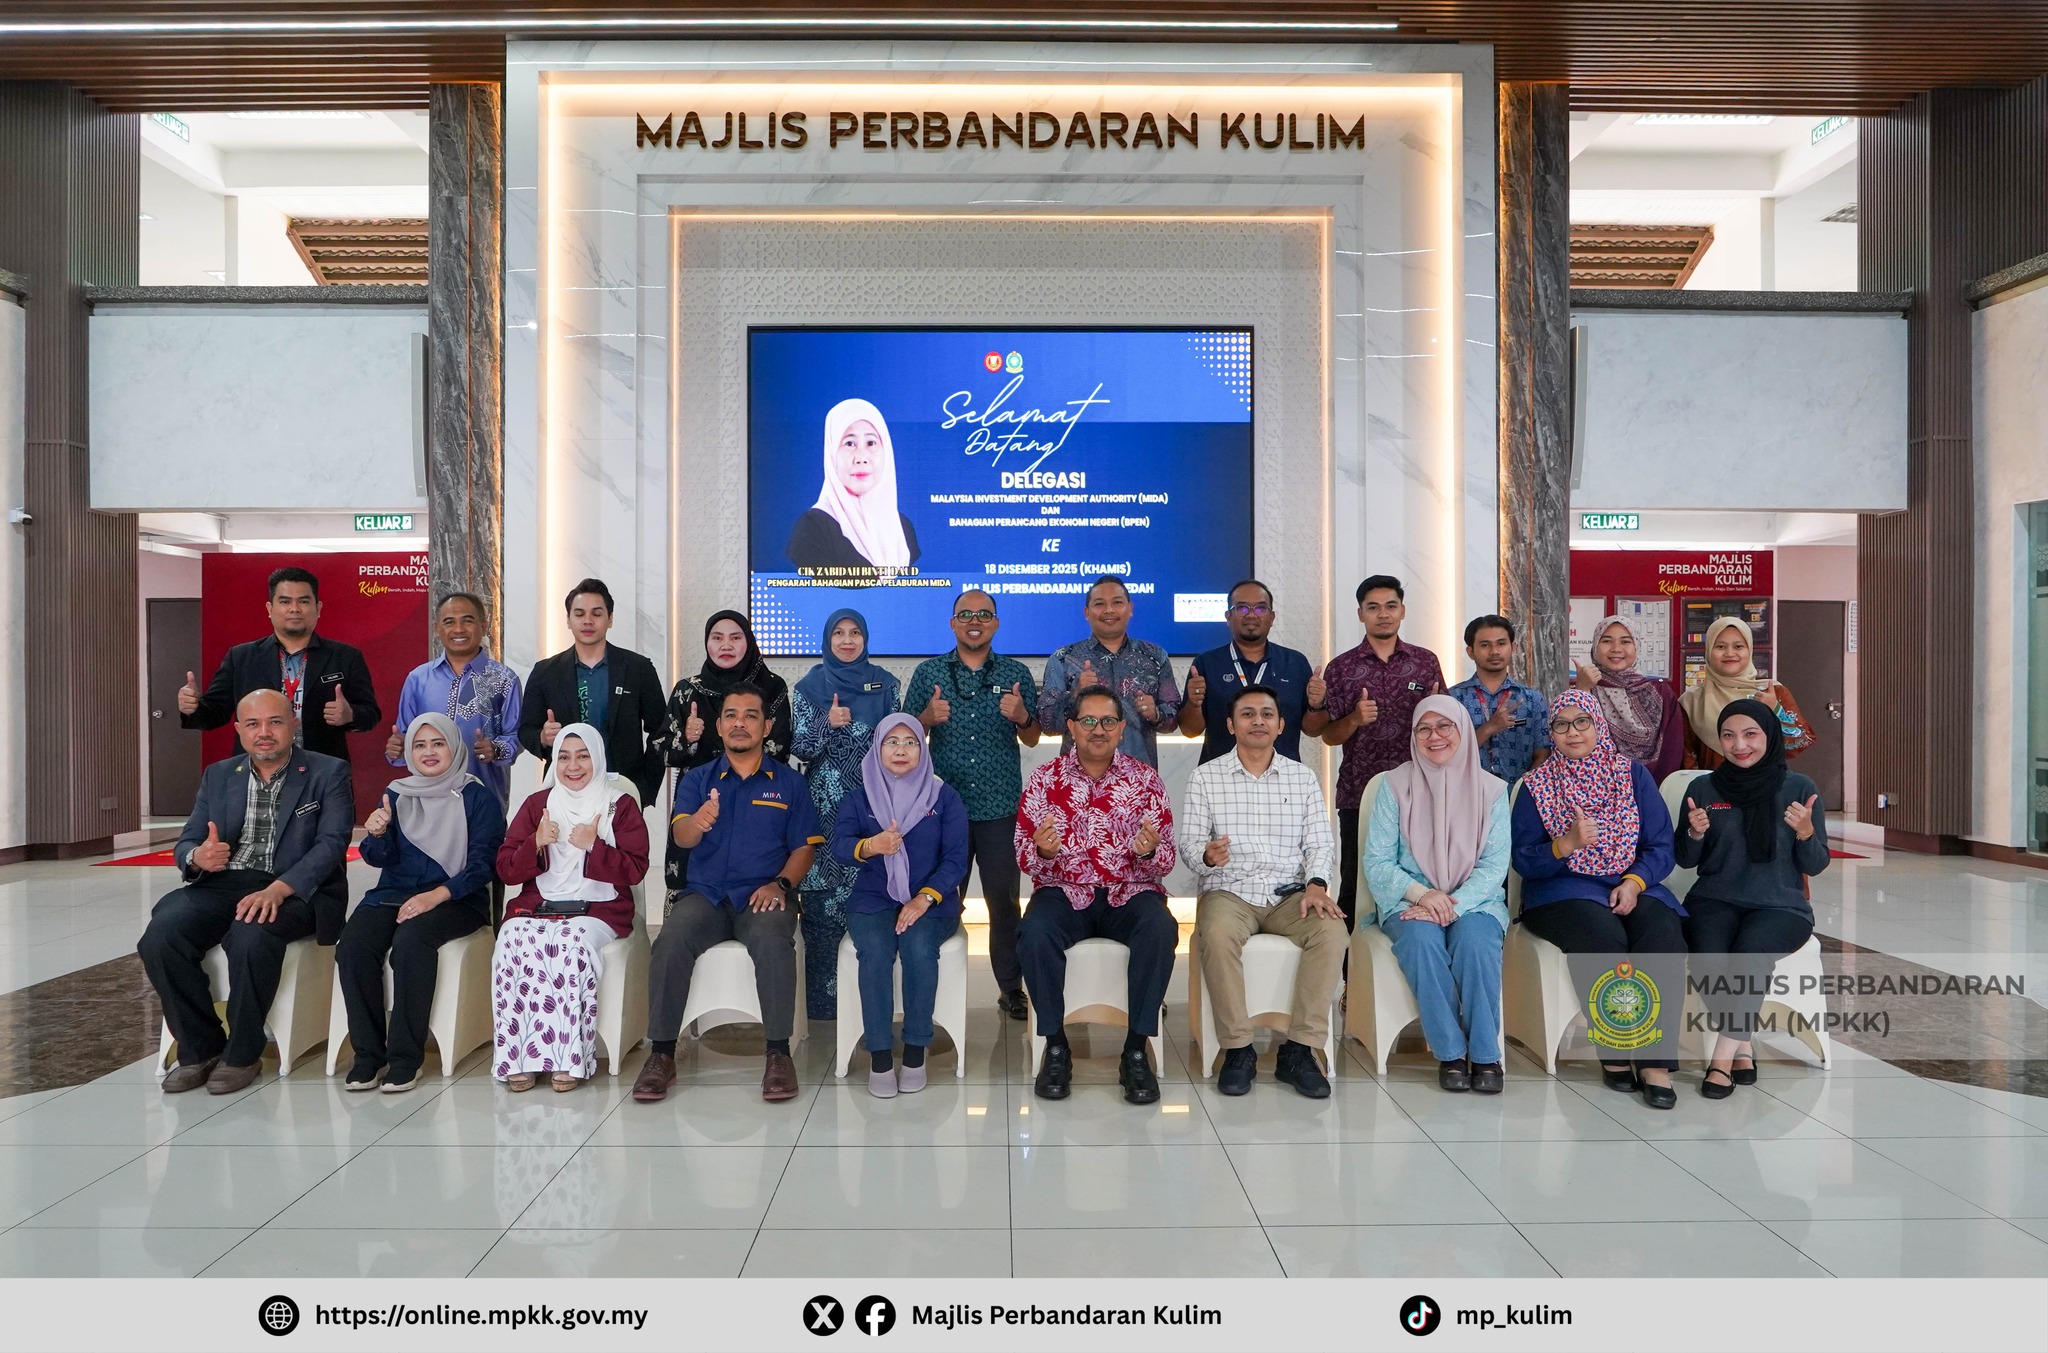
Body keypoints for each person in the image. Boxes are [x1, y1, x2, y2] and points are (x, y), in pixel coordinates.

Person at [140, 689, 354, 1094]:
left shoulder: (328, 771)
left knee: (251, 934)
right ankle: (201, 1049)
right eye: (253, 724)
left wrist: (279, 888)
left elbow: (332, 844)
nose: (264, 733)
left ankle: (242, 1053)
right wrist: (198, 857)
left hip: (296, 889)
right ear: (239, 729)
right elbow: (188, 840)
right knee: (160, 937)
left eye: (274, 722)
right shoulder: (220, 774)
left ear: (293, 724)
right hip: (224, 883)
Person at [634, 686, 823, 1105]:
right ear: (718, 726)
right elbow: (681, 836)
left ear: (767, 727)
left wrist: (782, 885)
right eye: (731, 715)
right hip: (706, 896)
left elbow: (804, 848)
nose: (740, 723)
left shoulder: (789, 783)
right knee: (670, 940)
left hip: (763, 895)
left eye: (751, 715)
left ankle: (778, 1053)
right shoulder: (698, 780)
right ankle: (661, 1054)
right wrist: (698, 822)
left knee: (774, 942)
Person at [1510, 689, 1688, 1109]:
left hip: (1631, 882)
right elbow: (1522, 859)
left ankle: (1655, 1063)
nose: (1572, 732)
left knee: (1661, 934)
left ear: (1598, 724)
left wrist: (1635, 882)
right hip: (1563, 888)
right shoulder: (1537, 786)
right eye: (1561, 724)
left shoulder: (1632, 775)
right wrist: (1565, 844)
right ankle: (1616, 1050)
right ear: (1551, 732)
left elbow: (1661, 845)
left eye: (1582, 722)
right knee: (1604, 938)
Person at [1015, 684, 1178, 1105]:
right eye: (1088, 721)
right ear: (1071, 727)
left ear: (1122, 728)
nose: (1098, 730)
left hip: (1130, 889)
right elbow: (1023, 853)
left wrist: (1150, 851)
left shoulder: (1145, 780)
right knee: (1033, 932)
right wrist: (1042, 851)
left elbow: (1166, 859)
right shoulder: (1045, 779)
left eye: (1108, 721)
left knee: (1161, 928)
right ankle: (1055, 1046)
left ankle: (1135, 1050)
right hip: (1064, 890)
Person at [1179, 684, 1342, 1098]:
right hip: (1229, 891)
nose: (1258, 721)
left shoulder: (1302, 777)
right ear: (1231, 725)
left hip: (1291, 894)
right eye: (1247, 714)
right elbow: (1189, 846)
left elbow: (1320, 844)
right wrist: (1207, 856)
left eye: (1267, 714)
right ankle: (1238, 1050)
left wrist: (1317, 885)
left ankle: (1300, 1051)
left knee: (1331, 932)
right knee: (1215, 934)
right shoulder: (1206, 777)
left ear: (1281, 725)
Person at [339, 713, 504, 1092]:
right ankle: (368, 1056)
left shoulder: (477, 797)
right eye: (419, 745)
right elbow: (378, 858)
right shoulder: (396, 794)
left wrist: (437, 895)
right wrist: (377, 833)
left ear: (454, 747)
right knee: (353, 946)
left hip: (457, 898)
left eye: (438, 743)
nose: (429, 752)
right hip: (393, 895)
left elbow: (484, 865)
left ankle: (405, 1058)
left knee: (411, 943)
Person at [1675, 698, 1830, 1099]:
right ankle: (1743, 1043)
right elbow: (1685, 859)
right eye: (1728, 736)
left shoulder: (1799, 788)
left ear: (1769, 736)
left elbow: (1815, 864)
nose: (1739, 745)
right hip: (1714, 898)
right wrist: (1694, 833)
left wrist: (1805, 832)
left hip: (1781, 906)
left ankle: (1721, 1061)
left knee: (1749, 955)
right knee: (1707, 959)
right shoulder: (1703, 788)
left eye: (1750, 734)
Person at [904, 590, 1041, 1021]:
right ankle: (935, 987)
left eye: (984, 614)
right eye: (966, 615)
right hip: (943, 811)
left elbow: (1034, 737)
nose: (975, 621)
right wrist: (925, 719)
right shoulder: (929, 673)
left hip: (1001, 808)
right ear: (953, 623)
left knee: (1005, 904)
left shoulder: (1016, 673)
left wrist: (1022, 716)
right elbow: (904, 738)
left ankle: (1010, 988)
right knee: (941, 898)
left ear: (996, 623)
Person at [1365, 697, 1514, 1094]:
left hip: (1475, 902)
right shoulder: (1394, 785)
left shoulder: (1492, 791)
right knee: (1421, 942)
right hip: (1409, 901)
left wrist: (1451, 904)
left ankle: (1486, 1055)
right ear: (1413, 736)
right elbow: (1377, 861)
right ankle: (1451, 1053)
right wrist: (1421, 894)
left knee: (1476, 944)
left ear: (1462, 730)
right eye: (1424, 729)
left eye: (1445, 726)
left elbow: (1494, 866)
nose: (1435, 737)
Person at [492, 723, 649, 1092]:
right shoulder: (538, 805)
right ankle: (518, 1057)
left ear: (598, 759)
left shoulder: (619, 805)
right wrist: (534, 842)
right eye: (563, 757)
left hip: (599, 908)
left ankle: (568, 1059)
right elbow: (506, 869)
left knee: (570, 944)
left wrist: (595, 845)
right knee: (511, 939)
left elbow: (636, 869)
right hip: (539, 904)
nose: (572, 766)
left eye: (582, 757)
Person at [831, 715, 969, 1098]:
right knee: (875, 951)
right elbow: (839, 846)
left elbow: (956, 859)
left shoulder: (943, 797)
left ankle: (914, 1052)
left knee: (918, 947)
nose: (901, 750)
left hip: (931, 901)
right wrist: (870, 846)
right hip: (873, 898)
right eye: (892, 742)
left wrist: (924, 898)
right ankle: (879, 1055)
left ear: (923, 749)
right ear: (877, 749)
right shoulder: (860, 796)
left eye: (911, 742)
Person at [790, 608, 900, 1020]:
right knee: (822, 911)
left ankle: (872, 1006)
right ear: (827, 639)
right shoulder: (808, 687)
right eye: (839, 633)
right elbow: (800, 749)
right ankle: (823, 1010)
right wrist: (827, 723)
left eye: (856, 632)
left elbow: (899, 744)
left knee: (871, 903)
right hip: (824, 809)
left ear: (866, 639)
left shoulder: (887, 685)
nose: (848, 640)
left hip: (874, 808)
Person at [1321, 574, 1447, 930]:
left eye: (1391, 606)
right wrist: (1354, 719)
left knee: (1421, 880)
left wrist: (1433, 712)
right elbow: (1328, 736)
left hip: (1420, 792)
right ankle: (1351, 965)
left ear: (1402, 611)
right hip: (1359, 793)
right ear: (1360, 614)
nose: (1383, 614)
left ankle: (1412, 951)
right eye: (1373, 607)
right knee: (1355, 884)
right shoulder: (1341, 668)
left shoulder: (1425, 662)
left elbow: (1446, 726)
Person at [177, 566, 380, 763]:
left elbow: (371, 714)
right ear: (270, 608)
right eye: (285, 601)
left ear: (318, 608)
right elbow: (214, 714)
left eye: (303, 601)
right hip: (257, 768)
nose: (294, 609)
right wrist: (192, 708)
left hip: (323, 770)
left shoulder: (345, 656)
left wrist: (350, 715)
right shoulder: (241, 657)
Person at [660, 610, 794, 904]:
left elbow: (780, 747)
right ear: (707, 643)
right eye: (717, 638)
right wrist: (687, 739)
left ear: (749, 642)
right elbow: (662, 751)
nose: (726, 645)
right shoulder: (687, 690)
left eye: (735, 638)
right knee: (692, 895)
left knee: (756, 882)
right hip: (697, 796)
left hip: (756, 794)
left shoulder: (772, 688)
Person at [518, 578, 668, 805]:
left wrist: (645, 788)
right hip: (566, 789)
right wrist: (542, 737)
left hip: (622, 789)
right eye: (579, 614)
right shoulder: (545, 672)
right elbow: (525, 730)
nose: (587, 621)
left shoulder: (638, 668)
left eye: (596, 614)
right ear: (568, 620)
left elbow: (661, 731)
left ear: (610, 619)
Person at [383, 591, 523, 806]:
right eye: (449, 622)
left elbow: (517, 735)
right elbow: (405, 741)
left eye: (467, 621)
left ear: (483, 626)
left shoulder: (504, 679)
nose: (458, 629)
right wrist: (397, 749)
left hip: (485, 798)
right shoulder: (418, 679)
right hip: (428, 802)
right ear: (437, 628)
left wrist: (496, 749)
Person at [1178, 579, 1329, 764]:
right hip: (1220, 774)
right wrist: (1194, 704)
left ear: (1272, 617)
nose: (1251, 615)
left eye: (1260, 608)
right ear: (1228, 616)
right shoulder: (1206, 663)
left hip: (1282, 775)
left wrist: (1316, 705)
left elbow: (1313, 730)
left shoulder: (1295, 663)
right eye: (1242, 608)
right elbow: (1190, 731)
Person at [1036, 576, 1179, 768]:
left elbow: (1174, 721)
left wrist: (1156, 714)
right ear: (1087, 613)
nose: (1109, 610)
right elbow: (1046, 725)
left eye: (1117, 603)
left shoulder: (1154, 656)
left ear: (1130, 608)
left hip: (1138, 778)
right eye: (1099, 604)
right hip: (1078, 779)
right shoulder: (1063, 658)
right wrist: (1074, 694)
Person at [786, 397, 920, 572]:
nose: (861, 458)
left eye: (871, 442)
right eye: (849, 443)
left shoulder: (903, 528)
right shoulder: (812, 528)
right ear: (832, 452)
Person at [1679, 616, 1817, 771]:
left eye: (1738, 646)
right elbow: (1685, 757)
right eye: (1720, 646)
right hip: (1712, 784)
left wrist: (1775, 710)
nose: (1730, 653)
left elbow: (1802, 741)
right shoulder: (1691, 701)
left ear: (1749, 650)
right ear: (1708, 650)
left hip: (1766, 783)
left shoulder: (1771, 691)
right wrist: (1699, 784)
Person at [1574, 615, 1683, 782]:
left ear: (1637, 646)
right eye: (1607, 641)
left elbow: (1672, 749)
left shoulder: (1660, 693)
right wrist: (1582, 690)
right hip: (1594, 787)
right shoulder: (1587, 690)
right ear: (1595, 646)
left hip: (1652, 786)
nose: (1616, 648)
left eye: (1625, 641)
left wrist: (1653, 789)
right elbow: (1573, 737)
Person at [1446, 614, 1551, 786]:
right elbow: (1447, 754)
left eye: (1501, 644)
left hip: (1518, 794)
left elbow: (1543, 753)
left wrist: (1524, 791)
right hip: (1466, 794)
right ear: (1470, 652)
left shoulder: (1532, 699)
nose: (1494, 651)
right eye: (1485, 645)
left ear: (1513, 647)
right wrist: (1489, 728)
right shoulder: (1453, 698)